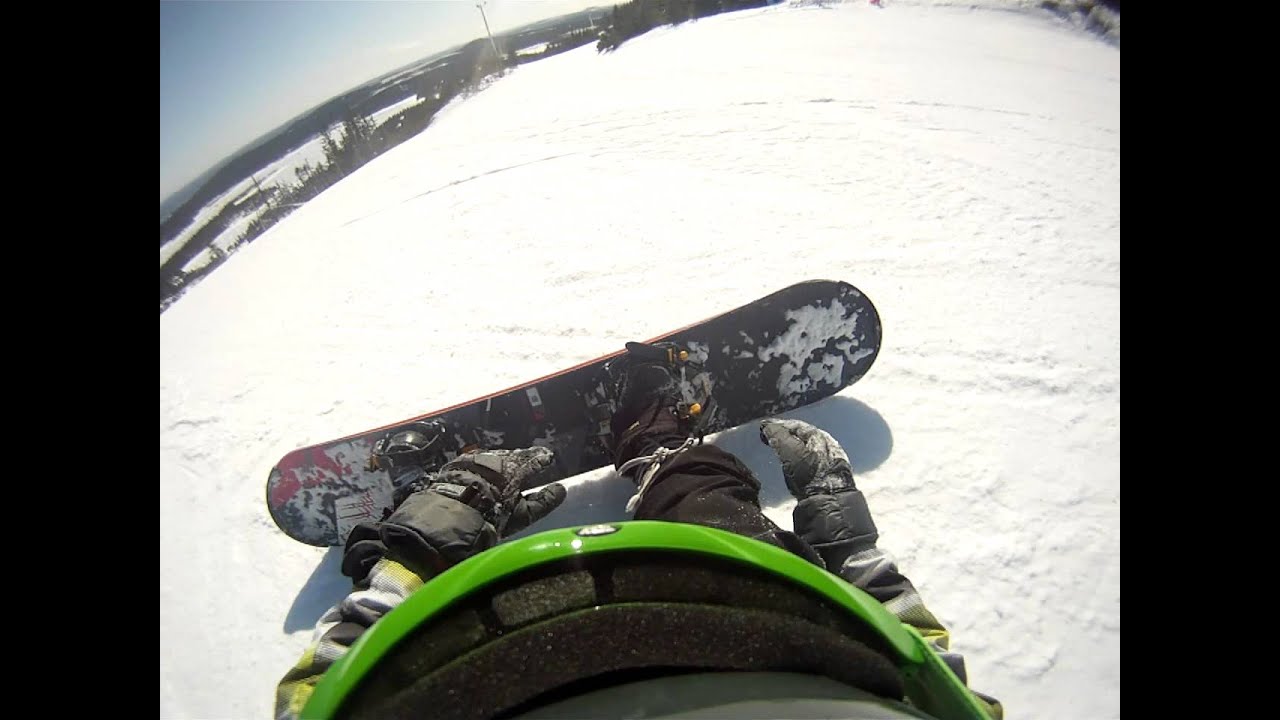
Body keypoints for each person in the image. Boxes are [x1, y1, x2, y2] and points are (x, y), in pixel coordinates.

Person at [275, 341, 1003, 720]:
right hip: (764, 619)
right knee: (707, 507)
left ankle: (459, 494)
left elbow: (323, 685)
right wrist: (853, 554)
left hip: (447, 656)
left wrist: (402, 568)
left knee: (418, 558)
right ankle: (652, 452)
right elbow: (930, 668)